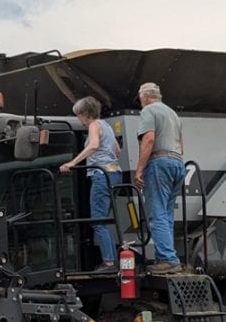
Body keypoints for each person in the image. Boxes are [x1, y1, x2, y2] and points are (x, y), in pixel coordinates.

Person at [60, 96, 121, 273]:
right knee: (104, 220)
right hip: (114, 174)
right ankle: (112, 260)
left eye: (79, 115)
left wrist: (73, 162)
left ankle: (109, 263)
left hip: (101, 175)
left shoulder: (94, 125)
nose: (79, 119)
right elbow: (117, 149)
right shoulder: (107, 125)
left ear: (85, 114)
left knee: (97, 220)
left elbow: (93, 145)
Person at [133, 82, 185, 275]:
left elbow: (149, 139)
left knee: (156, 213)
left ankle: (168, 259)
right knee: (166, 214)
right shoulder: (173, 114)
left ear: (145, 96)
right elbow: (181, 145)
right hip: (177, 163)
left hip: (159, 163)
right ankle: (166, 257)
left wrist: (139, 169)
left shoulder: (148, 111)